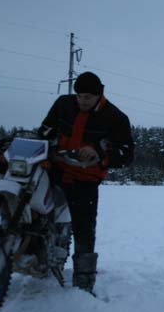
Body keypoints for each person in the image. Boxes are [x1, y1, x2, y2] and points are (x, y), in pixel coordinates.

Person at [39, 71, 134, 293]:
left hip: (85, 179)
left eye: (88, 97)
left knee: (84, 229)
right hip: (53, 169)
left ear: (100, 94)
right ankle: (32, 255)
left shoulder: (115, 117)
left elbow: (127, 154)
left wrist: (99, 154)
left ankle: (84, 282)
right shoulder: (63, 104)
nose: (83, 101)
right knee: (32, 211)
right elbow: (45, 129)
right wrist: (50, 142)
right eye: (80, 96)